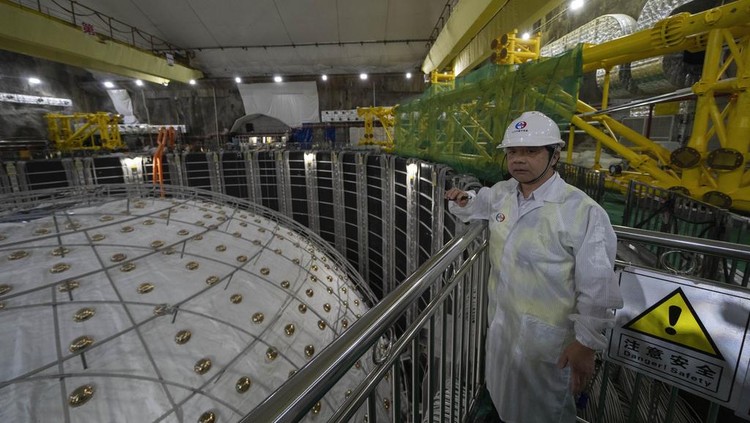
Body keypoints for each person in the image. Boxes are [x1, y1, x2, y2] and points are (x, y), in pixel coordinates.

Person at [445, 111, 623, 422]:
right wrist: (462, 200)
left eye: (531, 151)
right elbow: (477, 204)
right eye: (513, 152)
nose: (519, 160)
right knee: (505, 403)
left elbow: (597, 286)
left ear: (554, 156)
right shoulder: (503, 194)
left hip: (547, 343)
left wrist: (586, 342)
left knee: (545, 413)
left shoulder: (581, 211)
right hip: (504, 329)